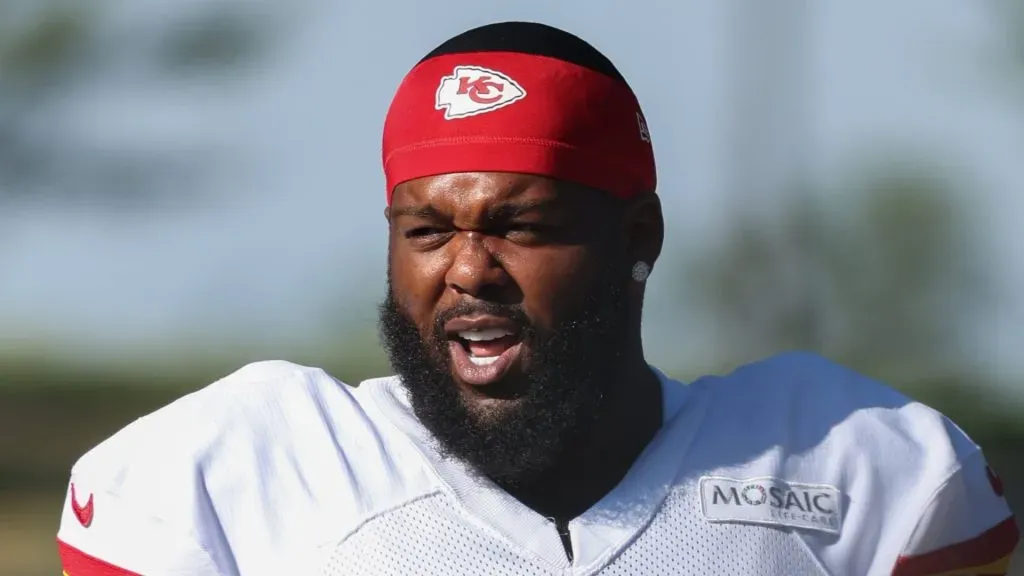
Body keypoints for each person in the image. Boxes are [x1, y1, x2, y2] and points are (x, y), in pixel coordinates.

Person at [56, 21, 1018, 576]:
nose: (468, 269)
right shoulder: (241, 471)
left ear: (638, 238)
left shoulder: (854, 465)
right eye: (426, 231)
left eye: (520, 226)